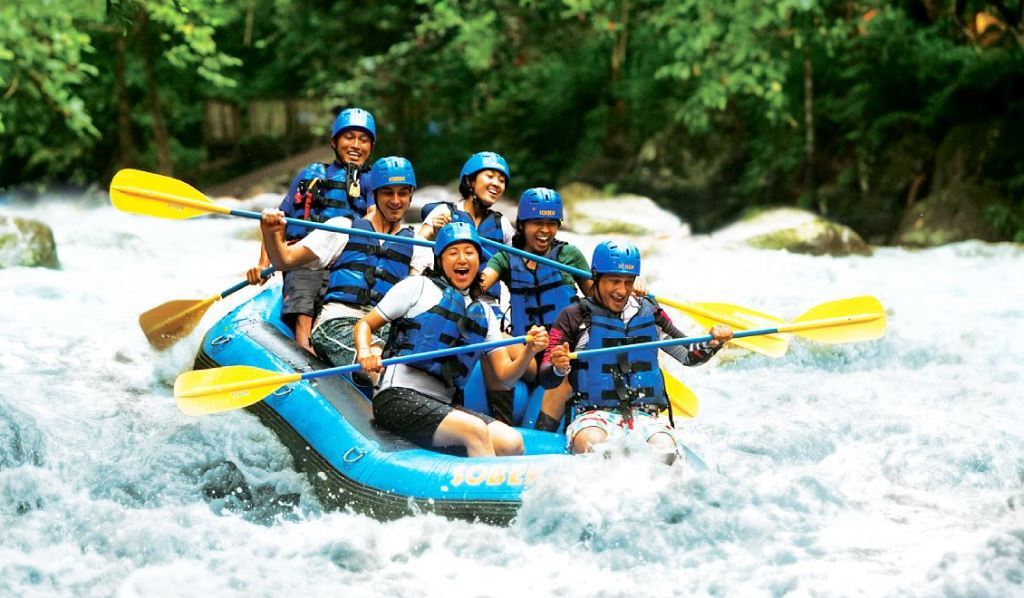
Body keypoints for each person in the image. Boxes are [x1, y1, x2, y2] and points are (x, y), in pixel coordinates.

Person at [353, 222, 548, 457]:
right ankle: (486, 493)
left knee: (511, 442)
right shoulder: (417, 286)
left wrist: (528, 351)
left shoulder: (484, 313)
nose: (462, 259)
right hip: (396, 397)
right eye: (453, 253)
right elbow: (365, 324)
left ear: (478, 260)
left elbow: (505, 377)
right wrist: (365, 351)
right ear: (440, 260)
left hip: (443, 405)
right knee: (475, 430)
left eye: (469, 252)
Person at [538, 240, 733, 459]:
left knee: (665, 450)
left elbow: (688, 355)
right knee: (592, 443)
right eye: (614, 281)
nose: (622, 290)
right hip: (593, 416)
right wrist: (558, 367)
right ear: (596, 277)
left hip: (644, 417)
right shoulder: (573, 316)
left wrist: (713, 343)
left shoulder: (650, 312)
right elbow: (547, 377)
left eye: (628, 282)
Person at [258, 156, 431, 369]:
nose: (396, 200)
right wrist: (271, 233)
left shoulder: (419, 245)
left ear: (411, 195)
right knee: (381, 362)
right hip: (339, 322)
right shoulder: (342, 229)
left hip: (385, 329)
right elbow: (284, 259)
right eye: (388, 192)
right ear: (374, 194)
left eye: (403, 193)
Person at [248, 107, 377, 353]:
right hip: (305, 256)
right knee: (307, 277)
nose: (356, 145)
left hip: (346, 260)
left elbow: (375, 216)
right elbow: (276, 223)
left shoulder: (372, 181)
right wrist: (263, 264)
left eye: (363, 140)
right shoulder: (311, 175)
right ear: (334, 141)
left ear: (371, 146)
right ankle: (304, 348)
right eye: (349, 137)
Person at [478, 187, 591, 423]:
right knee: (492, 339)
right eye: (537, 223)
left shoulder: (569, 255)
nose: (545, 230)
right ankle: (502, 423)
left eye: (552, 223)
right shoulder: (507, 257)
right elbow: (479, 283)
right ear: (522, 224)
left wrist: (630, 289)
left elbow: (600, 297)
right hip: (527, 355)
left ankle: (542, 430)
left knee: (569, 366)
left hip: (563, 354)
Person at [418, 151, 515, 311]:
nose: (496, 184)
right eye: (490, 176)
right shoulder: (445, 212)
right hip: (444, 298)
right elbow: (417, 247)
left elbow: (517, 263)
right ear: (470, 181)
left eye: (501, 180)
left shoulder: (502, 224)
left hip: (487, 304)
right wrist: (433, 234)